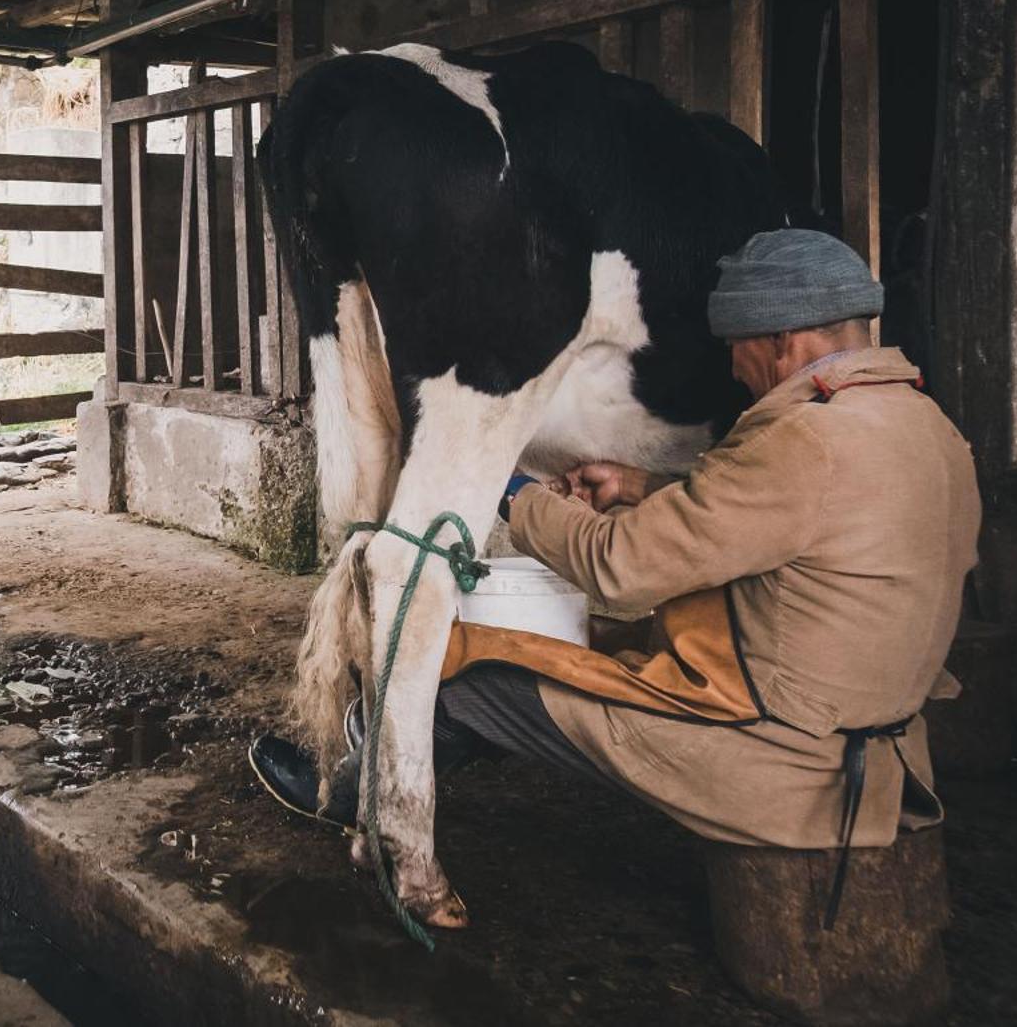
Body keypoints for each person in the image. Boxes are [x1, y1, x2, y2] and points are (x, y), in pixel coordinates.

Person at [252, 229, 980, 919]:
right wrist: (641, 487)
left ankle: (350, 795)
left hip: (781, 761)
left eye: (739, 350)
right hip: (878, 745)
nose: (734, 370)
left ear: (785, 341)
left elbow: (617, 568)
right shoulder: (932, 430)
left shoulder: (802, 441)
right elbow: (804, 531)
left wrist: (512, 493)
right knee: (610, 636)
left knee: (474, 680)